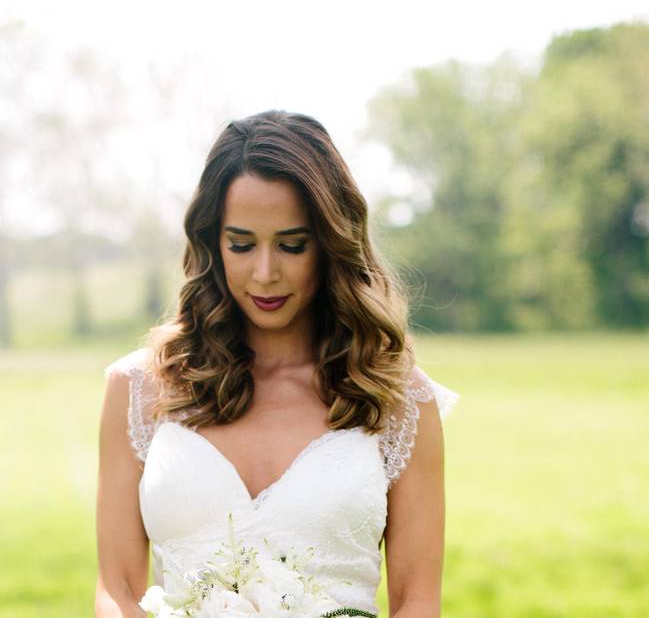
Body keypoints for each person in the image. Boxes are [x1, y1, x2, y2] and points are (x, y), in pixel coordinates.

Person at [95, 110, 459, 618]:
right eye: (241, 244)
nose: (265, 273)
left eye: (292, 245)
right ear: (212, 242)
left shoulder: (398, 399)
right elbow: (115, 588)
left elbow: (418, 601)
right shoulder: (137, 389)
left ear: (330, 243)